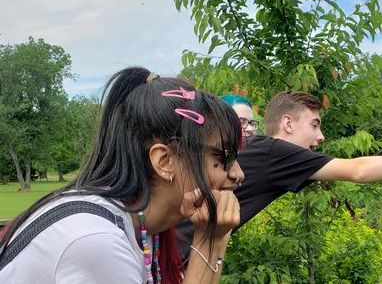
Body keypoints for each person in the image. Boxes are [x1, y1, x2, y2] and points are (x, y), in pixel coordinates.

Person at [0, 67, 245, 284]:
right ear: (164, 161)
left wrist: (215, 236)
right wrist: (209, 240)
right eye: (223, 156)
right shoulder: (96, 241)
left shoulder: (136, 227)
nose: (238, 174)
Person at [177, 91, 382, 261]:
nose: (320, 136)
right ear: (288, 123)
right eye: (315, 125)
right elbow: (358, 170)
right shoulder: (274, 150)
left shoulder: (257, 150)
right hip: (178, 257)